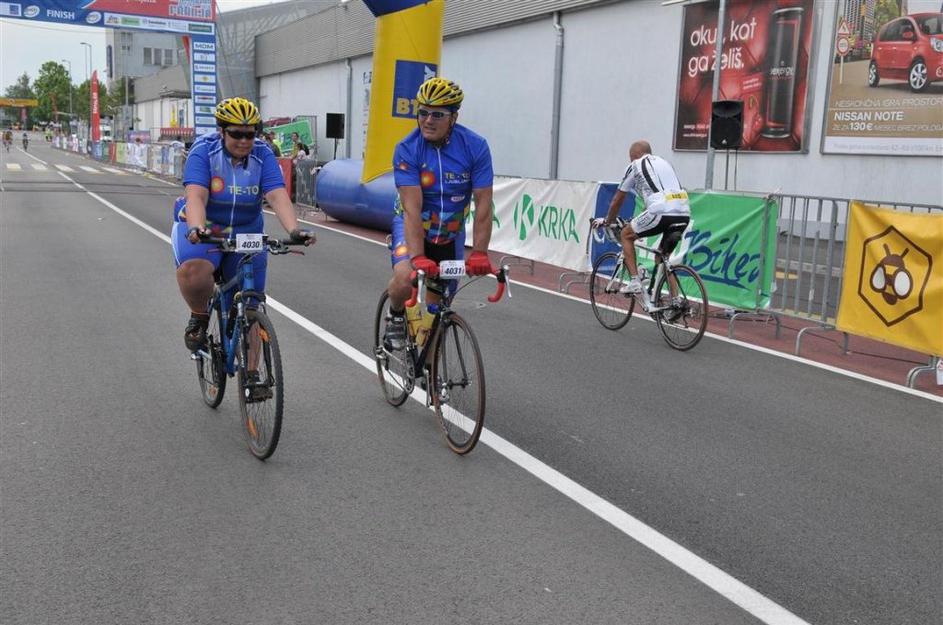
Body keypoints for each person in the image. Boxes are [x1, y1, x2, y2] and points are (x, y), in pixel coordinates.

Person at [171, 97, 315, 368]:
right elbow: (196, 196)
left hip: (247, 230)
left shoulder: (263, 154)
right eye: (236, 134)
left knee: (250, 304)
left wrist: (294, 229)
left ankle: (253, 379)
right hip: (207, 225)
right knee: (194, 270)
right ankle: (199, 316)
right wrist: (196, 227)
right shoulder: (204, 150)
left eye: (251, 134)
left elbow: (277, 194)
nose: (244, 140)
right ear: (221, 131)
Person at [382, 77, 495, 351]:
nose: (428, 120)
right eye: (422, 112)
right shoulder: (407, 148)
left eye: (437, 114)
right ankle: (395, 315)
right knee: (405, 276)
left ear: (454, 117)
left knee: (437, 315)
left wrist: (480, 252)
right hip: (413, 225)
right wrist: (418, 256)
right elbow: (412, 208)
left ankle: (430, 374)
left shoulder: (475, 146)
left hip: (450, 233)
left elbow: (483, 203)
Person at [593, 140, 690, 303]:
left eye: (630, 158)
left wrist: (608, 220)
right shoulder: (665, 163)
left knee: (626, 235)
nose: (630, 161)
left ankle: (634, 281)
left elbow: (617, 199)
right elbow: (656, 197)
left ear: (635, 155)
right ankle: (676, 300)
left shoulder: (635, 165)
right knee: (662, 258)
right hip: (684, 212)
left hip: (661, 211)